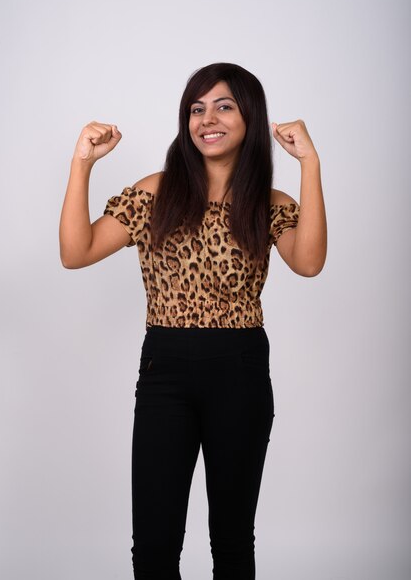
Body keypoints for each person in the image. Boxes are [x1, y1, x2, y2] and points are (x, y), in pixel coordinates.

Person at [59, 62, 327, 579]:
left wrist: (309, 163)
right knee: (154, 548)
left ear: (250, 117)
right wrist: (81, 164)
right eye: (196, 108)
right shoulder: (158, 191)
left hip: (241, 371)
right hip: (166, 373)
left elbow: (309, 262)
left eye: (224, 106)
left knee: (231, 543)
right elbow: (76, 251)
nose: (208, 118)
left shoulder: (269, 202)